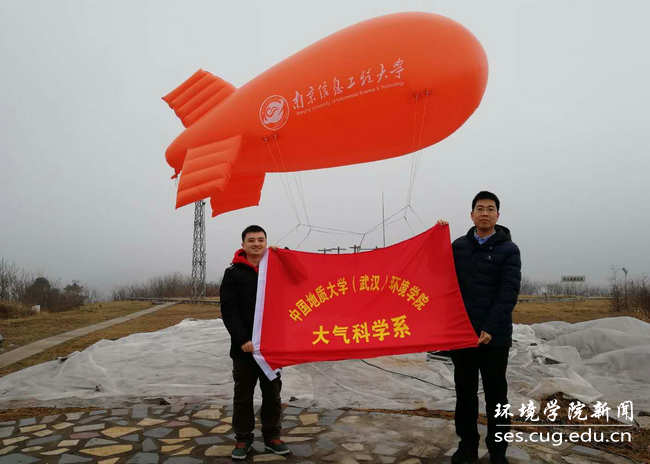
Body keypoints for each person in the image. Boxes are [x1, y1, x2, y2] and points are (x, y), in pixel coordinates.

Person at [440, 191, 521, 464]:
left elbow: (508, 292)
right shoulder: (458, 247)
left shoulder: (509, 250)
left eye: (490, 208)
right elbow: (437, 272)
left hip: (494, 338)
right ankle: (467, 446)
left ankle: (498, 452)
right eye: (480, 208)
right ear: (471, 214)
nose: (485, 213)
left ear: (498, 215)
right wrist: (437, 236)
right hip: (462, 335)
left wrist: (490, 327)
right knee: (465, 394)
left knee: (497, 396)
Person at [220, 225, 290, 460]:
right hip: (244, 349)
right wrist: (243, 339)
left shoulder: (275, 268)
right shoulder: (233, 273)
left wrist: (285, 255)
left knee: (272, 394)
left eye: (261, 240)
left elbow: (299, 279)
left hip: (272, 348)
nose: (256, 244)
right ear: (243, 245)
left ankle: (272, 437)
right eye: (251, 240)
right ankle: (243, 438)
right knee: (243, 396)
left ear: (266, 242)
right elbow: (229, 311)